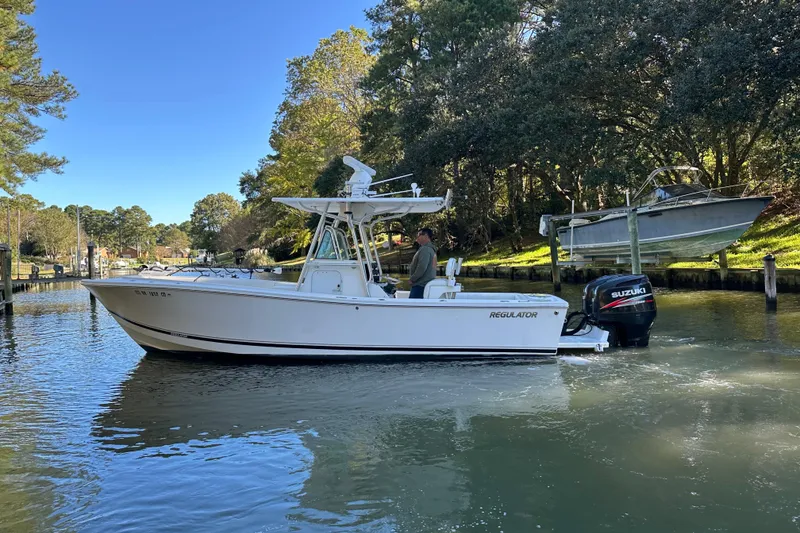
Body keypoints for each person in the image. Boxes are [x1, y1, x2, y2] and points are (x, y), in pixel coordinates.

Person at [408, 228, 437, 298]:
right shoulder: (431, 250)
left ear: (426, 235)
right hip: (426, 285)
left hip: (420, 285)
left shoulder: (425, 249)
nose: (417, 237)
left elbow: (422, 267)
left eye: (419, 235)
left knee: (412, 307)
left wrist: (412, 279)